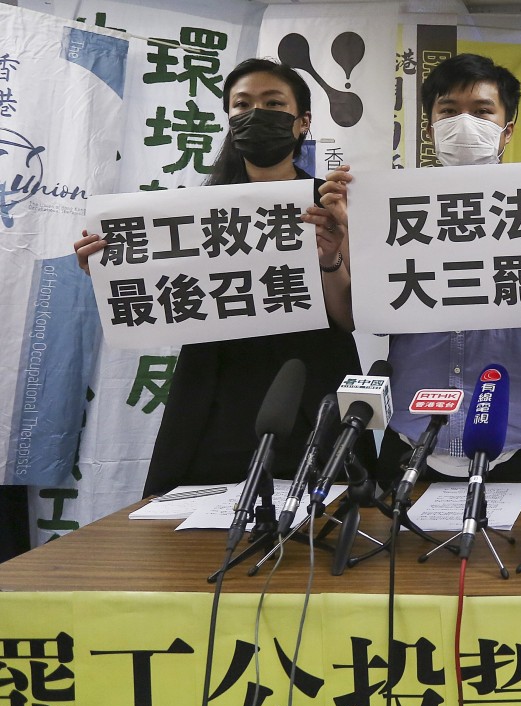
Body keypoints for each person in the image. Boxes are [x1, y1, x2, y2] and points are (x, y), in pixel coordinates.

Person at [74, 57, 371, 498]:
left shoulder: (330, 205)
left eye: (274, 103)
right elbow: (155, 301)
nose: (257, 113)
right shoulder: (188, 213)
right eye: (242, 104)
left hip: (314, 382)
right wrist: (108, 268)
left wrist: (329, 257)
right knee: (192, 539)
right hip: (214, 390)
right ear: (230, 119)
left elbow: (348, 318)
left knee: (329, 523)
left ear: (303, 121)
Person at [317, 53, 521, 485]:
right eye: (449, 111)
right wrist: (339, 246)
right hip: (414, 433)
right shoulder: (391, 208)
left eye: (482, 111)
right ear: (431, 128)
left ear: (507, 130)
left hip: (519, 436)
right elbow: (364, 316)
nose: (464, 123)